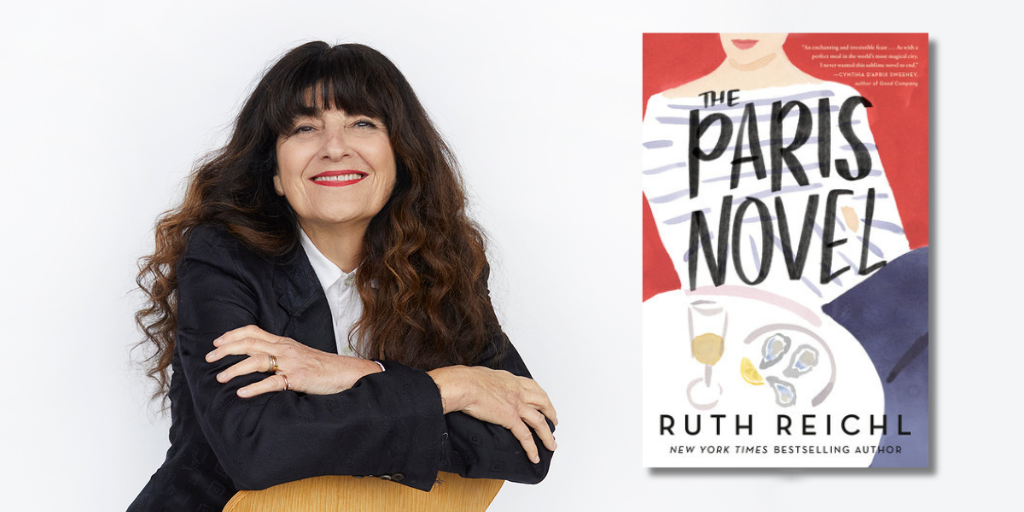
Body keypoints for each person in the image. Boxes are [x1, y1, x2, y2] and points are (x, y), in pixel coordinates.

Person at [128, 41, 556, 511]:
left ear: (401, 158)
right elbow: (258, 449)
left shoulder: (445, 266)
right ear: (274, 171)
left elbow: (527, 441)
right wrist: (455, 388)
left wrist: (347, 374)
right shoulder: (221, 260)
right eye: (305, 128)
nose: (334, 148)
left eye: (363, 123)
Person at [643, 33, 910, 304]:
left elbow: (879, 224)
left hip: (851, 300)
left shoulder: (837, 100)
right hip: (740, 309)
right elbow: (688, 242)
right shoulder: (669, 112)